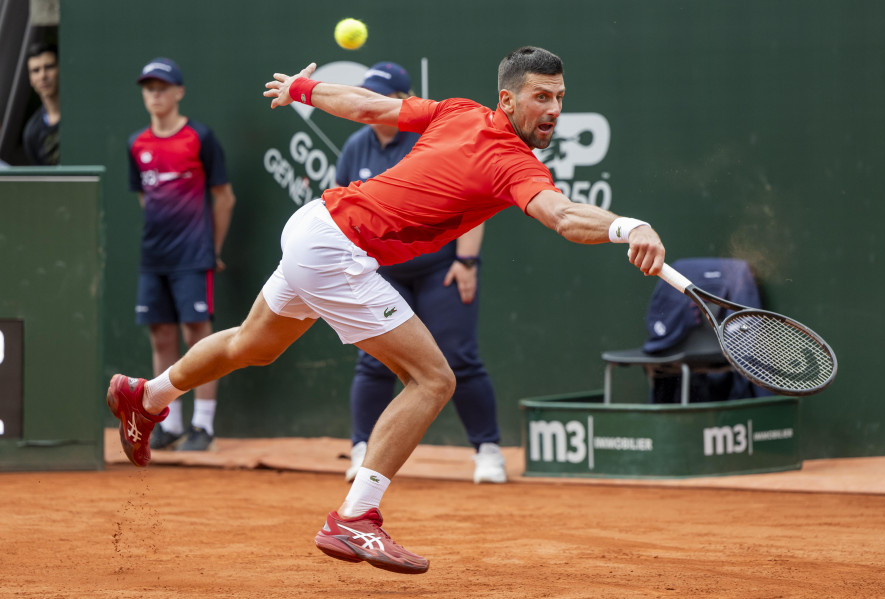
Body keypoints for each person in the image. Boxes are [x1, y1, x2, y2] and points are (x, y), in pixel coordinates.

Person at [106, 46, 665, 575]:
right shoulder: (513, 162)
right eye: (541, 97)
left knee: (253, 344)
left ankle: (146, 396)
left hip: (314, 226)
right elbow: (564, 218)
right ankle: (354, 517)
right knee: (432, 379)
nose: (554, 110)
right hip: (337, 249)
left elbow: (371, 106)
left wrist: (305, 87)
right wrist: (629, 226)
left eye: (560, 98)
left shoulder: (459, 113)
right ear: (508, 100)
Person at [336, 62, 506, 485]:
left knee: (459, 358)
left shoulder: (428, 138)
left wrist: (466, 262)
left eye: (384, 96)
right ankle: (362, 449)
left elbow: (470, 203)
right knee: (373, 361)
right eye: (368, 94)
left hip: (439, 268)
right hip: (381, 272)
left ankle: (487, 450)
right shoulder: (356, 146)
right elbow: (343, 209)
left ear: (403, 102)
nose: (373, 103)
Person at [126, 57, 236, 452]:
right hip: (154, 257)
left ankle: (202, 424)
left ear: (179, 92)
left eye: (162, 87)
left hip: (194, 254)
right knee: (161, 336)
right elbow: (145, 197)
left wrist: (213, 249)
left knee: (197, 336)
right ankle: (168, 423)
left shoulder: (200, 138)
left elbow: (224, 198)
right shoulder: (136, 144)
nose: (155, 94)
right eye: (149, 88)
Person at [22, 43, 60, 165]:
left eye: (49, 67)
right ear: (30, 79)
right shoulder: (31, 132)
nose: (43, 75)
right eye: (35, 70)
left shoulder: (82, 116)